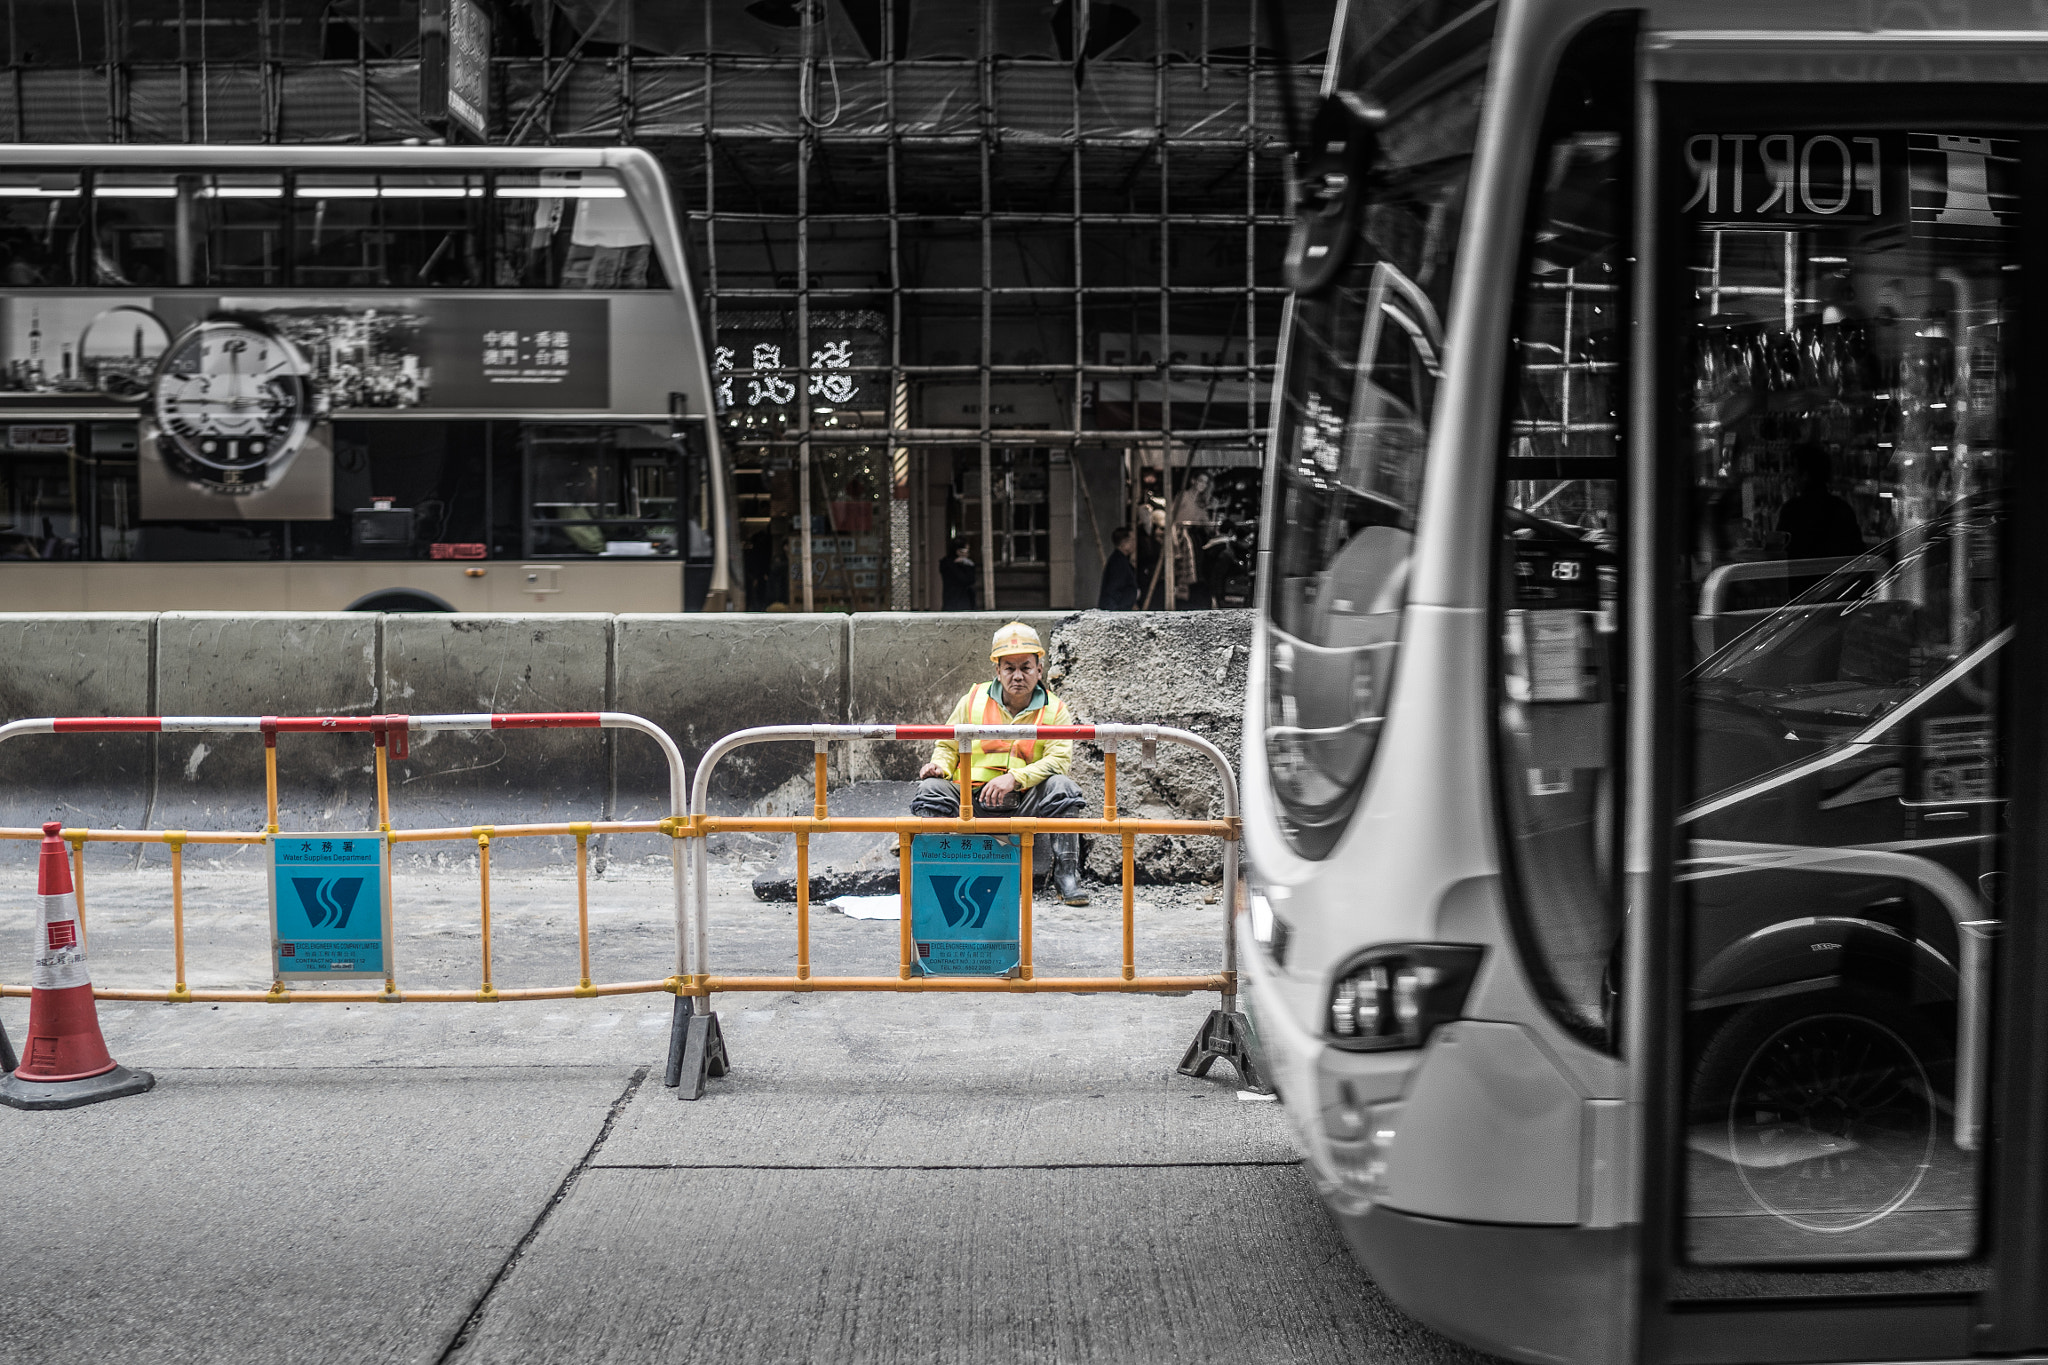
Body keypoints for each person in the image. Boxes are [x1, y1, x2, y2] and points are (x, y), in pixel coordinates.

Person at [912, 621, 1090, 906]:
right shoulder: (972, 701)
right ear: (998, 670)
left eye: (1026, 667)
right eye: (1009, 668)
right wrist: (940, 767)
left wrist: (1015, 778)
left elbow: (1059, 761)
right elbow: (947, 744)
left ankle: (1067, 877)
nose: (1017, 676)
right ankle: (932, 876)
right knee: (930, 789)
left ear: (1039, 670)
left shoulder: (1055, 709)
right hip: (970, 799)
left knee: (1063, 788)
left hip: (1023, 802)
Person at [1776, 444, 1865, 562]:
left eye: (1794, 469)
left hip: (1803, 579)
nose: (1791, 475)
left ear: (1805, 475)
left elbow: (1779, 552)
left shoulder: (1792, 511)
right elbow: (1857, 552)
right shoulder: (1843, 508)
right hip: (1839, 578)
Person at [1097, 526, 1139, 610]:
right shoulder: (1118, 562)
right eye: (1132, 540)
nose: (1134, 543)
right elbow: (1113, 589)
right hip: (1115, 609)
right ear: (1123, 543)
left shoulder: (1121, 560)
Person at [939, 537, 979, 610]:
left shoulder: (949, 563)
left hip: (961, 600)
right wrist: (967, 565)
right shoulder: (948, 564)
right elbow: (966, 579)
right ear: (958, 551)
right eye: (965, 550)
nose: (967, 553)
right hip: (956, 601)